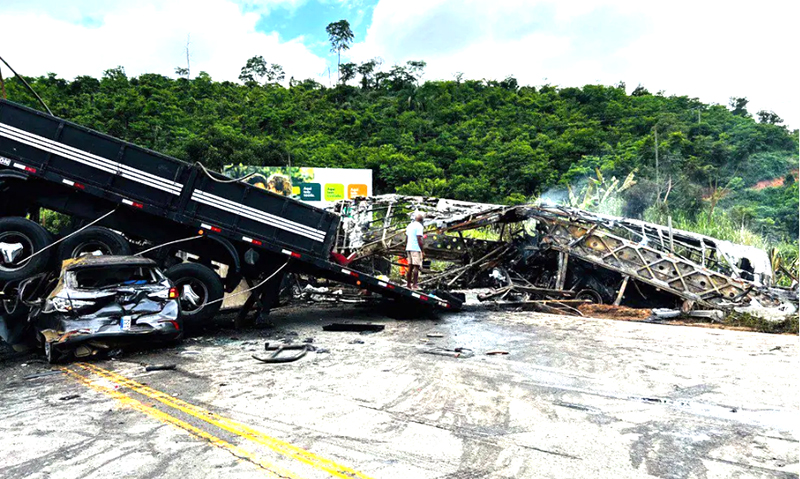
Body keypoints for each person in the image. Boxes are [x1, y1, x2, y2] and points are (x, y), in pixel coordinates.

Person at [405, 212, 425, 289]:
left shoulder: (410, 225)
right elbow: (419, 239)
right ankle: (415, 285)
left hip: (409, 247)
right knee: (416, 267)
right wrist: (422, 250)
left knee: (410, 267)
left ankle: (408, 284)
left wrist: (407, 246)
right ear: (421, 220)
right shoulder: (419, 226)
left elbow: (406, 238)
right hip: (416, 248)